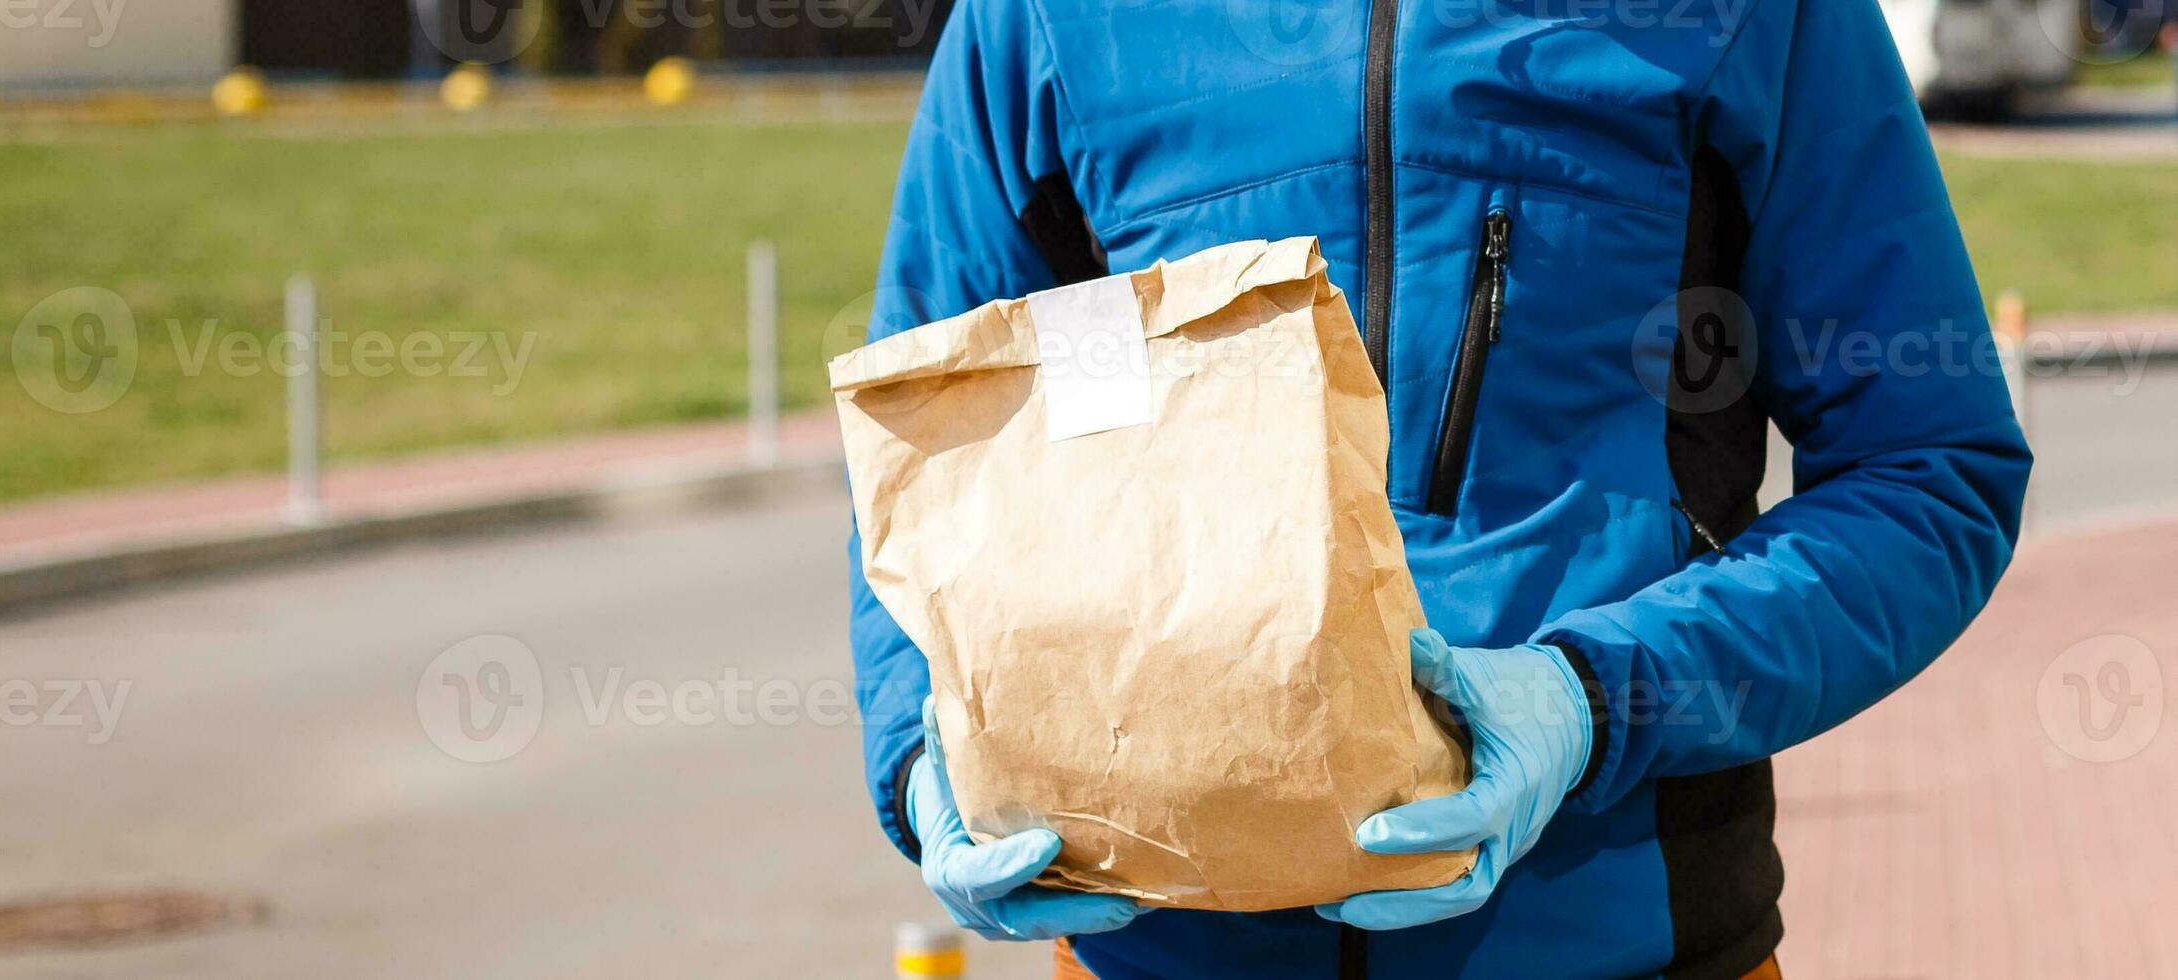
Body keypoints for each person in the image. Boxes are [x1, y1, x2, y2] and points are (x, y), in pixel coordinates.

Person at [845, 2, 2032, 977]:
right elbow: (931, 448)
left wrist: (1598, 697)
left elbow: (1931, 476)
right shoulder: (1043, 19)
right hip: (1156, 955)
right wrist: (922, 757)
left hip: (1628, 943)